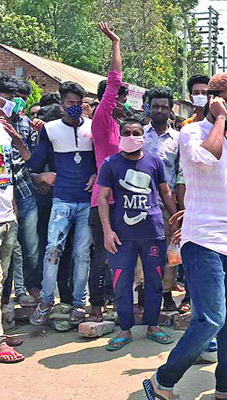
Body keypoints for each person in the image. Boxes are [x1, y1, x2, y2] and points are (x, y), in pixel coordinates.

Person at [144, 72, 227, 400]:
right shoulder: (191, 133)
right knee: (211, 318)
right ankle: (161, 381)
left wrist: (226, 124)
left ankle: (226, 386)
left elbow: (219, 188)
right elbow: (203, 158)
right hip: (201, 242)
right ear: (213, 100)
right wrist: (221, 118)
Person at [97, 118, 176, 350]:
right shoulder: (110, 163)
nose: (132, 136)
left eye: (136, 132)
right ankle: (125, 328)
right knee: (122, 282)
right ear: (120, 136)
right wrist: (107, 231)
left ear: (143, 136)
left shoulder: (154, 161)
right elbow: (102, 197)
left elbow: (165, 191)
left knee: (154, 281)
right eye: (127, 132)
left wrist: (177, 217)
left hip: (153, 232)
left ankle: (152, 325)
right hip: (122, 236)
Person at [28, 81, 97, 326]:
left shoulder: (93, 127)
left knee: (81, 253)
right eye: (70, 104)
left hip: (87, 202)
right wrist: (41, 177)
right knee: (52, 250)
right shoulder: (51, 129)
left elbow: (105, 160)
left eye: (79, 104)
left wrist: (97, 174)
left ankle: (79, 303)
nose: (75, 108)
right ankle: (46, 300)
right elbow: (34, 165)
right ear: (61, 104)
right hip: (62, 200)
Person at [0, 71, 31, 363]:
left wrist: (12, 212)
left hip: (6, 218)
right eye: (9, 99)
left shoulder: (3, 131)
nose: (14, 105)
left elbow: (10, 175)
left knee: (0, 283)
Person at [86, 21, 128, 321]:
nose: (122, 103)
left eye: (124, 99)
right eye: (119, 98)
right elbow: (114, 80)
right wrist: (115, 44)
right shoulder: (102, 119)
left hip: (123, 202)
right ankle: (97, 305)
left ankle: (115, 303)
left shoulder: (123, 127)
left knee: (120, 256)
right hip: (102, 202)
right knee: (100, 257)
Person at [140, 86, 184, 311]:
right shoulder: (137, 135)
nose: (159, 110)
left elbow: (180, 173)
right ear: (148, 107)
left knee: (169, 250)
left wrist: (178, 208)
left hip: (167, 204)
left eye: (164, 107)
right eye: (155, 106)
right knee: (142, 251)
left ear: (171, 109)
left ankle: (166, 294)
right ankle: (142, 295)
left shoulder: (179, 139)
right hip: (139, 203)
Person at [2, 77, 40, 309]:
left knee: (30, 245)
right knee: (8, 250)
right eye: (12, 98)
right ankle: (8, 298)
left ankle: (29, 286)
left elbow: (34, 160)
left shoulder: (27, 124)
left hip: (25, 190)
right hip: (3, 197)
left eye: (22, 99)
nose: (17, 103)